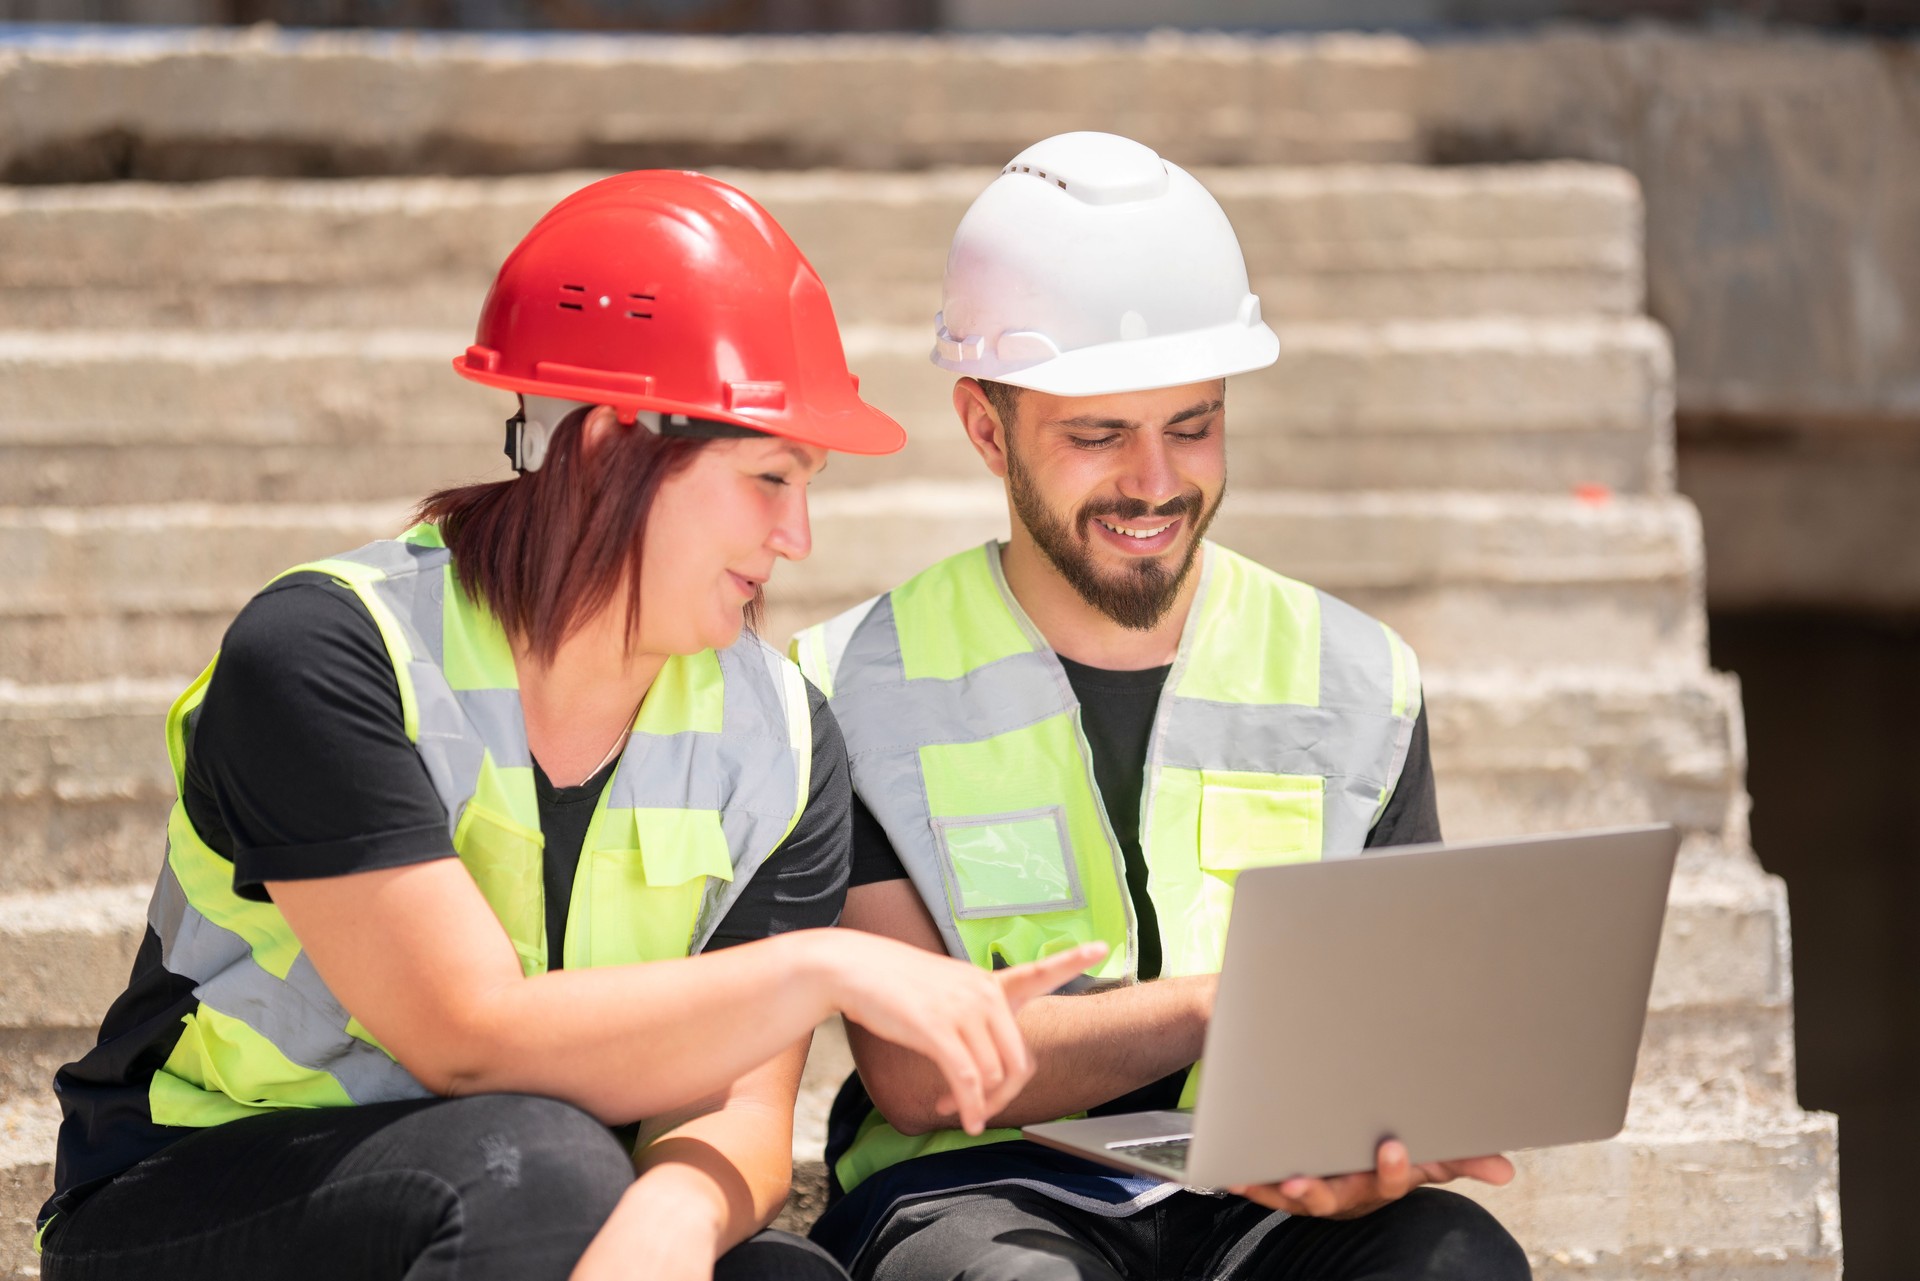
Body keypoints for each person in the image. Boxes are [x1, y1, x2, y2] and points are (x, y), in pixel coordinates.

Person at [33, 170, 1103, 1281]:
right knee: (544, 1164)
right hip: (198, 1192)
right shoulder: (326, 654)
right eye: (770, 478)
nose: (800, 538)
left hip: (538, 1206)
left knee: (779, 1272)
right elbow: (465, 1036)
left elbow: (737, 1112)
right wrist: (823, 966)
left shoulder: (783, 733)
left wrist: (672, 1221)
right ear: (605, 450)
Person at [791, 133, 1532, 1280]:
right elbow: (922, 1075)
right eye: (1098, 436)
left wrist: (1376, 1141)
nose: (1155, 481)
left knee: (1456, 1264)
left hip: (1272, 1196)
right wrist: (1216, 1010)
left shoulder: (1356, 675)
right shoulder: (851, 687)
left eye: (1193, 424)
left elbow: (1386, 1024)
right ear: (986, 429)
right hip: (982, 1189)